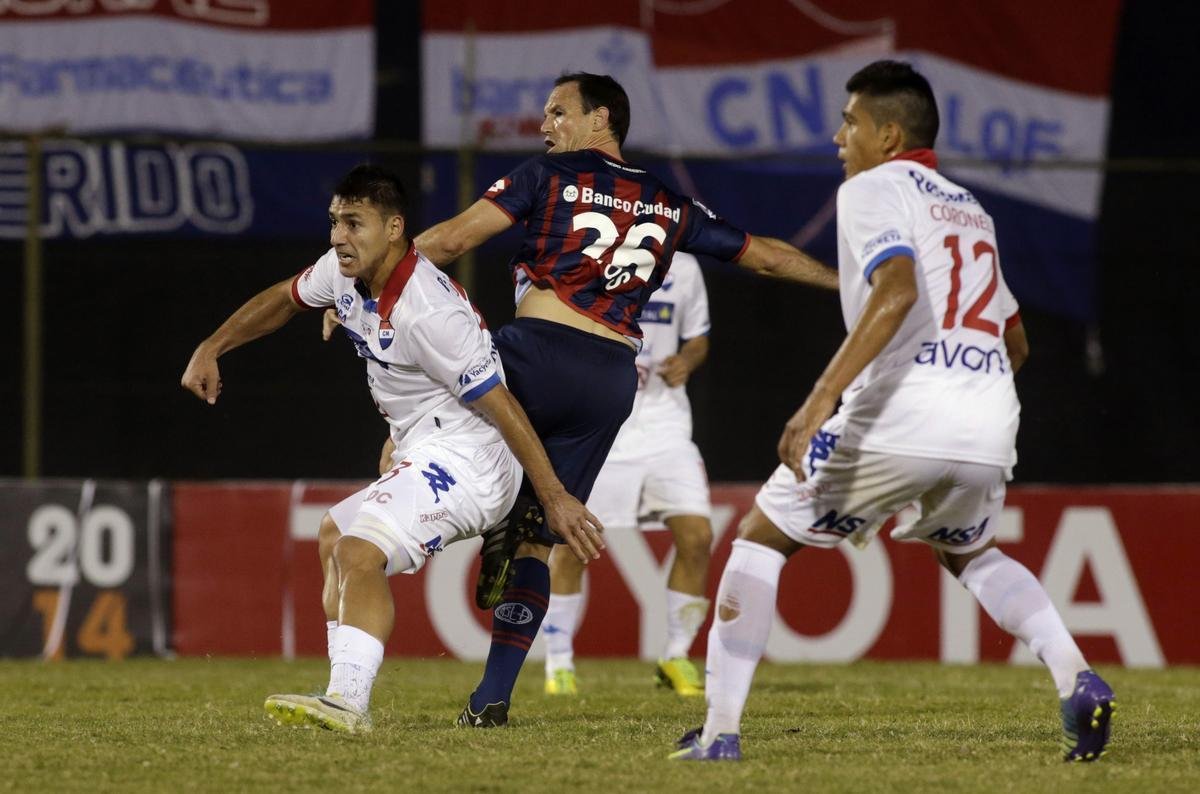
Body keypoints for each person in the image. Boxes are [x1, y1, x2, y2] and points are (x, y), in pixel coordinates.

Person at [670, 61, 1115, 763]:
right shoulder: (972, 208)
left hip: (904, 413)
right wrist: (963, 410)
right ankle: (1075, 676)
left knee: (759, 537)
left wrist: (820, 403)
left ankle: (720, 733)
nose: (837, 136)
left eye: (849, 121)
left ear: (888, 133)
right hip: (990, 419)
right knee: (967, 550)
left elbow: (897, 289)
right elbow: (1016, 339)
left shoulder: (873, 187)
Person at [413, 72, 838, 727]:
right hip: (611, 379)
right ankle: (490, 698)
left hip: (534, 355)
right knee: (540, 541)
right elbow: (770, 259)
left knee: (420, 422)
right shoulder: (668, 203)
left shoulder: (545, 176)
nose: (544, 125)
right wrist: (847, 286)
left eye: (558, 111)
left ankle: (424, 510)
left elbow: (449, 242)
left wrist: (362, 282)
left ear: (600, 118)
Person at [180, 164, 601, 734]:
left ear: (395, 228)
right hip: (426, 445)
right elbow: (283, 299)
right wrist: (212, 346)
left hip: (471, 456)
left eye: (354, 223)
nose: (338, 237)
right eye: (334, 221)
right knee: (333, 537)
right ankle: (339, 692)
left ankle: (349, 704)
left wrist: (552, 497)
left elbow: (502, 406)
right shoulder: (342, 273)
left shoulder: (430, 312)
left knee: (360, 550)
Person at [543, 251, 715, 697]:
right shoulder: (589, 255)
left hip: (665, 426)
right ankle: (558, 664)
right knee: (572, 544)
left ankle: (676, 656)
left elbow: (698, 338)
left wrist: (687, 360)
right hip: (603, 424)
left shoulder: (686, 267)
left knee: (696, 536)